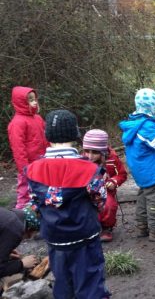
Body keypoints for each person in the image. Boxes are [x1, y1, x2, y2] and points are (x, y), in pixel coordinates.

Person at [26, 109, 110, 299]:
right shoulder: (89, 169)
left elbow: (34, 202)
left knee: (62, 283)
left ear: (48, 136)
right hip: (84, 235)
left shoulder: (32, 169)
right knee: (90, 282)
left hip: (54, 238)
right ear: (75, 135)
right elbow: (100, 200)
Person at [119, 88, 155, 241]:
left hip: (142, 170)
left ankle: (142, 227)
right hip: (153, 172)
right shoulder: (146, 126)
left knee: (144, 198)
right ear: (152, 106)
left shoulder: (135, 123)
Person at [82, 129, 128, 242]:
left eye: (94, 152)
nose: (90, 156)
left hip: (106, 191)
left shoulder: (112, 159)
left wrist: (113, 181)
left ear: (102, 151)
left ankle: (106, 227)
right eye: (87, 151)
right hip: (87, 191)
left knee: (109, 205)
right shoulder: (82, 160)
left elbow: (122, 174)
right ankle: (89, 227)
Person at [7, 86, 48, 209]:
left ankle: (38, 208)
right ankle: (21, 212)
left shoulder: (38, 118)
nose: (34, 102)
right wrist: (24, 168)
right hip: (28, 164)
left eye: (35, 99)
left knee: (41, 186)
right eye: (30, 100)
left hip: (41, 160)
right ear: (21, 102)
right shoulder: (17, 123)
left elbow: (46, 136)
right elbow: (18, 147)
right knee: (24, 189)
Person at [0, 206, 40, 279]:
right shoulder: (15, 230)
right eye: (29, 237)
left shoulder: (9, 215)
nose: (27, 239)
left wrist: (5, 251)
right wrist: (22, 264)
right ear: (29, 229)